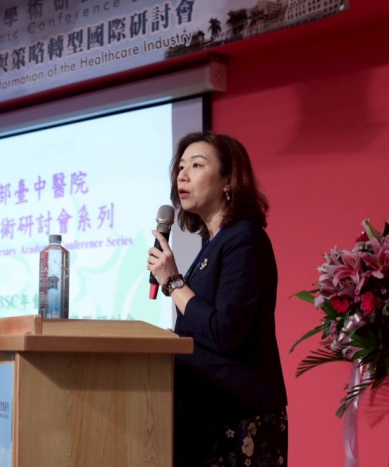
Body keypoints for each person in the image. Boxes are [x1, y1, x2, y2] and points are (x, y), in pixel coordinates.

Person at [147, 131, 288, 467]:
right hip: (208, 412)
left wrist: (174, 282)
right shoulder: (213, 245)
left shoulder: (245, 240)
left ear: (228, 181)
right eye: (181, 167)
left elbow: (225, 331)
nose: (182, 175)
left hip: (240, 415)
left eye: (196, 165)